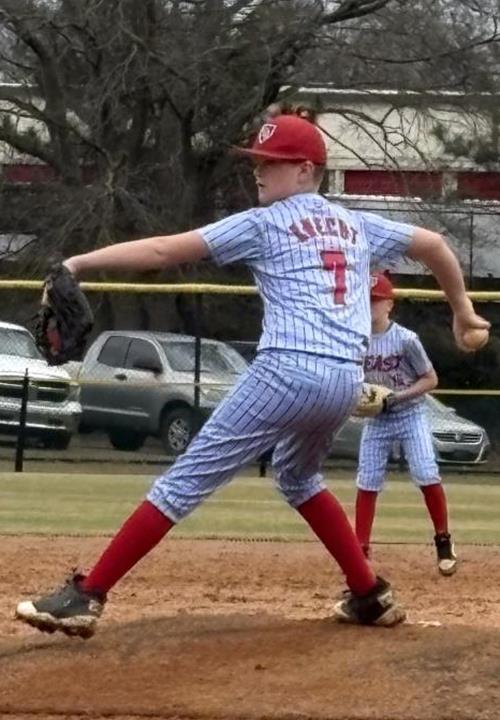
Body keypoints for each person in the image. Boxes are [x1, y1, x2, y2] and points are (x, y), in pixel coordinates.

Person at [15, 113, 488, 637]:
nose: (258, 171)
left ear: (306, 170)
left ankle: (88, 594)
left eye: (271, 163)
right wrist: (462, 310)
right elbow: (434, 244)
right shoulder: (357, 224)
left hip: (287, 371)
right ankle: (368, 593)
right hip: (343, 383)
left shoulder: (264, 223)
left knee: (184, 481)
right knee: (298, 477)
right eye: (257, 162)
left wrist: (78, 264)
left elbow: (164, 250)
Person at [355, 273, 457, 575]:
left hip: (410, 414)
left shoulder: (405, 339)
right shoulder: (355, 338)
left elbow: (430, 379)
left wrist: (396, 397)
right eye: (366, 300)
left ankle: (443, 541)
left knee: (425, 472)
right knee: (367, 480)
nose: (370, 305)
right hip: (377, 419)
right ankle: (360, 551)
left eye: (376, 300)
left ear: (390, 304)